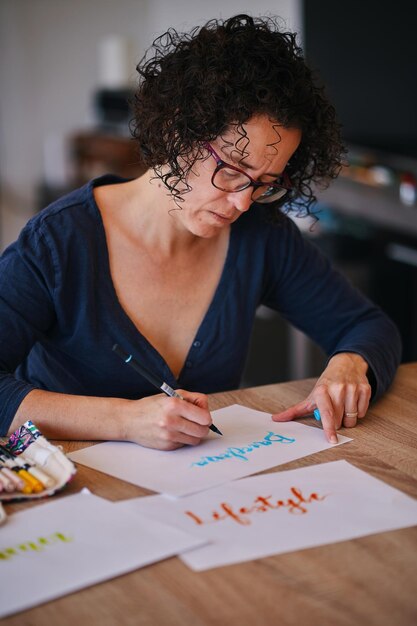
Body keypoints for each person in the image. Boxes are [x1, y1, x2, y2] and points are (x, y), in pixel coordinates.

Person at [0, 14, 401, 449]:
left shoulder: (261, 235)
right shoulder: (58, 243)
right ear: (178, 131)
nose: (244, 202)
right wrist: (125, 420)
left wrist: (349, 363)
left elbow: (366, 325)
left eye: (267, 183)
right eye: (232, 170)